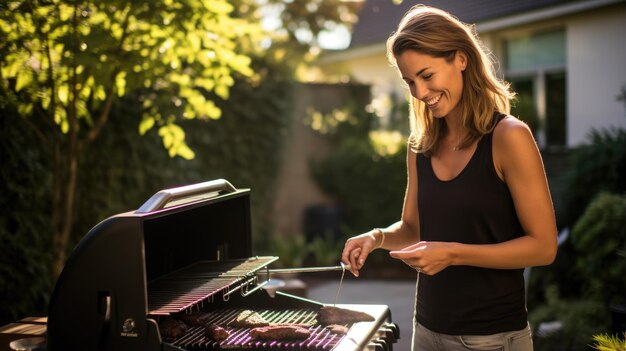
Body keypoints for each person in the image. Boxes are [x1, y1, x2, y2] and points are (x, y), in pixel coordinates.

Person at [340, 4, 558, 351]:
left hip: (491, 338)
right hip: (425, 331)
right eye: (410, 81)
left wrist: (453, 254)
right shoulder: (421, 146)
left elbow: (544, 246)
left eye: (427, 76)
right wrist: (376, 237)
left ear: (460, 59)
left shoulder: (508, 137)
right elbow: (413, 229)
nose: (420, 92)